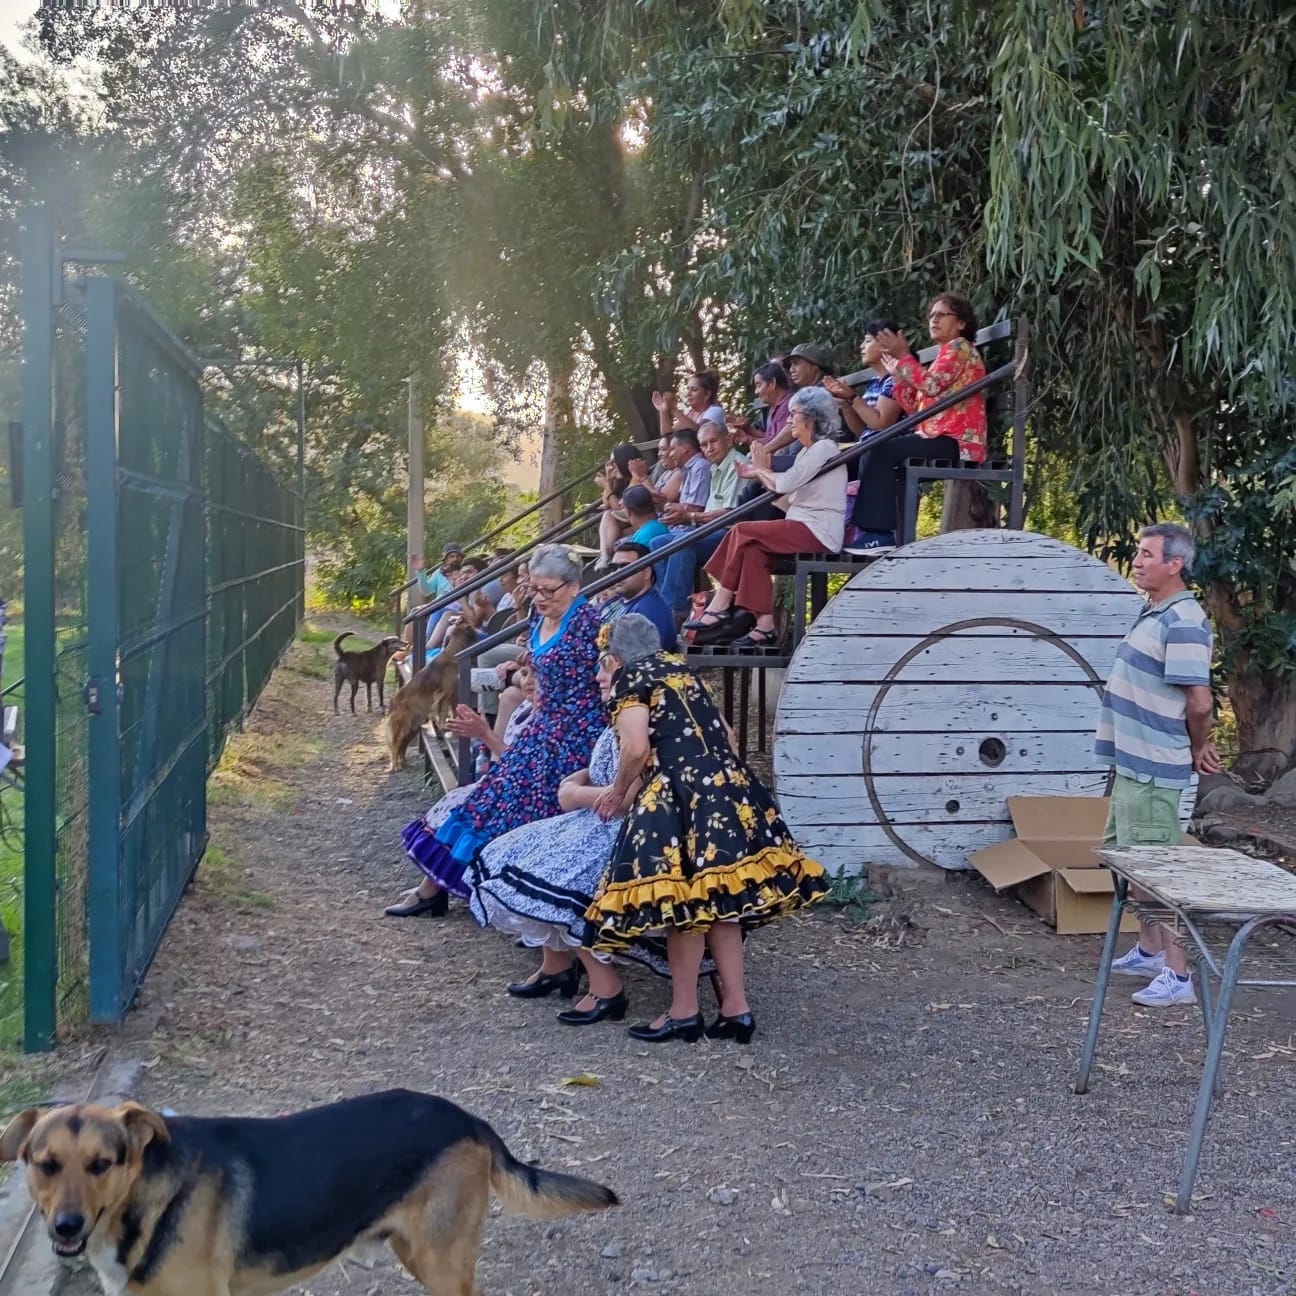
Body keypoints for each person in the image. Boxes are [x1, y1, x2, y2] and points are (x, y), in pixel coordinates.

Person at [581, 615, 829, 1042]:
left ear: (615, 657)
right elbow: (729, 736)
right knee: (721, 902)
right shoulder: (683, 672)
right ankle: (736, 1009)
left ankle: (684, 1012)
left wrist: (620, 792)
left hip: (678, 795)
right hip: (730, 790)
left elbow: (637, 747)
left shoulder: (630, 677)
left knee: (682, 905)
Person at [393, 545, 606, 918]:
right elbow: (540, 665)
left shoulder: (589, 623)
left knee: (517, 810)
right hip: (541, 729)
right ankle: (435, 887)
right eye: (533, 589)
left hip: (576, 736)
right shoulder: (541, 620)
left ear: (573, 587)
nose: (537, 597)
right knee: (488, 801)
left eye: (547, 590)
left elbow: (608, 674)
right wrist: (527, 673)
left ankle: (522, 905)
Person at [466, 637, 653, 1002]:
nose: (597, 676)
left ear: (623, 667)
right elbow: (606, 768)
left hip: (624, 831)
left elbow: (630, 797)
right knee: (512, 850)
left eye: (604, 667)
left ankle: (606, 987)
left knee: (552, 874)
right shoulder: (619, 709)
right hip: (595, 820)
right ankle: (556, 968)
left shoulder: (640, 716)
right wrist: (579, 778)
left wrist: (574, 795)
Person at [1100, 523, 1221, 1008]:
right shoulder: (1154, 611)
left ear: (1175, 564)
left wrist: (1197, 749)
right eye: (1138, 551)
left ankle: (1179, 976)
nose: (1138, 559)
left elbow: (1199, 702)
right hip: (1135, 765)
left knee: (1160, 871)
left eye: (1148, 554)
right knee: (1130, 861)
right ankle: (1150, 950)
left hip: (1155, 767)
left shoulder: (1184, 620)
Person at [689, 386, 847, 650]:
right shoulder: (808, 452)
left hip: (819, 531)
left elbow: (786, 484)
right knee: (752, 550)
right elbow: (789, 498)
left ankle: (721, 601)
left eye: (793, 413)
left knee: (742, 530)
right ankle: (765, 626)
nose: (788, 419)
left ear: (810, 417)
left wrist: (762, 470)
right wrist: (759, 476)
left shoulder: (824, 448)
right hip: (802, 524)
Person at [385, 656, 538, 915]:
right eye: (524, 675)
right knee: (460, 803)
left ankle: (431, 892)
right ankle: (431, 889)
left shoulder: (549, 721)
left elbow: (527, 770)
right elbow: (504, 760)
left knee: (467, 808)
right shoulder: (523, 710)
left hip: (526, 794)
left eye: (538, 677)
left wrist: (485, 734)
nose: (530, 682)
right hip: (506, 783)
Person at [849, 293, 988, 552]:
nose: (934, 320)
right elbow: (915, 407)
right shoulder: (943, 355)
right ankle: (878, 534)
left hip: (957, 440)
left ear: (961, 323)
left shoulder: (960, 348)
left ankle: (879, 534)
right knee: (878, 449)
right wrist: (898, 376)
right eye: (931, 315)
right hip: (936, 436)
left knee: (881, 449)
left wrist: (903, 355)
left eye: (941, 315)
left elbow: (931, 385)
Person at [656, 421, 748, 617]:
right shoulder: (715, 468)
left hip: (731, 532)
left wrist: (689, 517)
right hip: (710, 529)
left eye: (713, 441)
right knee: (658, 542)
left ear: (729, 439)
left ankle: (676, 612)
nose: (709, 449)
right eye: (704, 445)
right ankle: (663, 606)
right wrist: (687, 518)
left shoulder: (738, 465)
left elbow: (731, 514)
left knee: (682, 543)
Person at [823, 320, 904, 440]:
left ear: (884, 344)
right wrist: (845, 403)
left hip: (890, 448)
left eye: (867, 341)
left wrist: (852, 396)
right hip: (870, 447)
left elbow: (881, 424)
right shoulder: (874, 382)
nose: (861, 346)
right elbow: (862, 432)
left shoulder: (895, 378)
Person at [599, 541, 678, 651]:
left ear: (646, 572)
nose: (617, 573)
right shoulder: (614, 601)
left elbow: (638, 659)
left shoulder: (650, 610)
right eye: (614, 568)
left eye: (625, 567)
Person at [726, 362, 793, 449]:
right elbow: (770, 438)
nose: (756, 392)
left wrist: (748, 439)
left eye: (759, 385)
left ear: (772, 383)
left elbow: (779, 444)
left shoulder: (788, 405)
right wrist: (748, 429)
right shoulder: (774, 408)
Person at [653, 370, 726, 437]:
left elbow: (700, 433)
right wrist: (663, 411)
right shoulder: (689, 413)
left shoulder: (716, 411)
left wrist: (674, 409)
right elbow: (668, 437)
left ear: (707, 394)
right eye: (688, 389)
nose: (688, 394)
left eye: (694, 390)